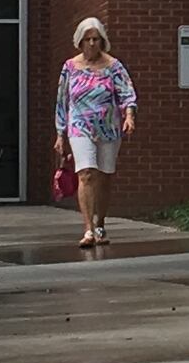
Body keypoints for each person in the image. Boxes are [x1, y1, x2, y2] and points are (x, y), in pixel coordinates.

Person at [53, 17, 136, 250]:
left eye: (96, 39)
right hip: (80, 126)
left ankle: (100, 223)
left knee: (105, 175)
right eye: (88, 39)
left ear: (102, 41)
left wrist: (129, 116)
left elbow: (127, 93)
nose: (92, 44)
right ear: (80, 41)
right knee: (86, 173)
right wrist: (60, 133)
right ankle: (88, 228)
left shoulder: (114, 66)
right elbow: (62, 102)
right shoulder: (70, 67)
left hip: (108, 126)